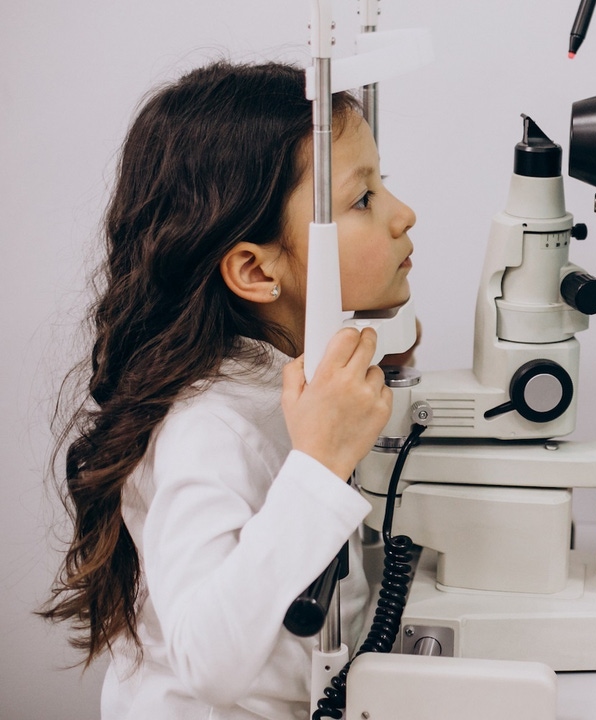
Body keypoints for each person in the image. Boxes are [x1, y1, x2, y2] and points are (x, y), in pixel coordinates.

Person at [41, 61, 418, 719]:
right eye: (363, 199)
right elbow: (208, 660)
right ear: (253, 268)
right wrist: (320, 466)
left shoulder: (287, 370)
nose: (403, 214)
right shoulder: (207, 425)